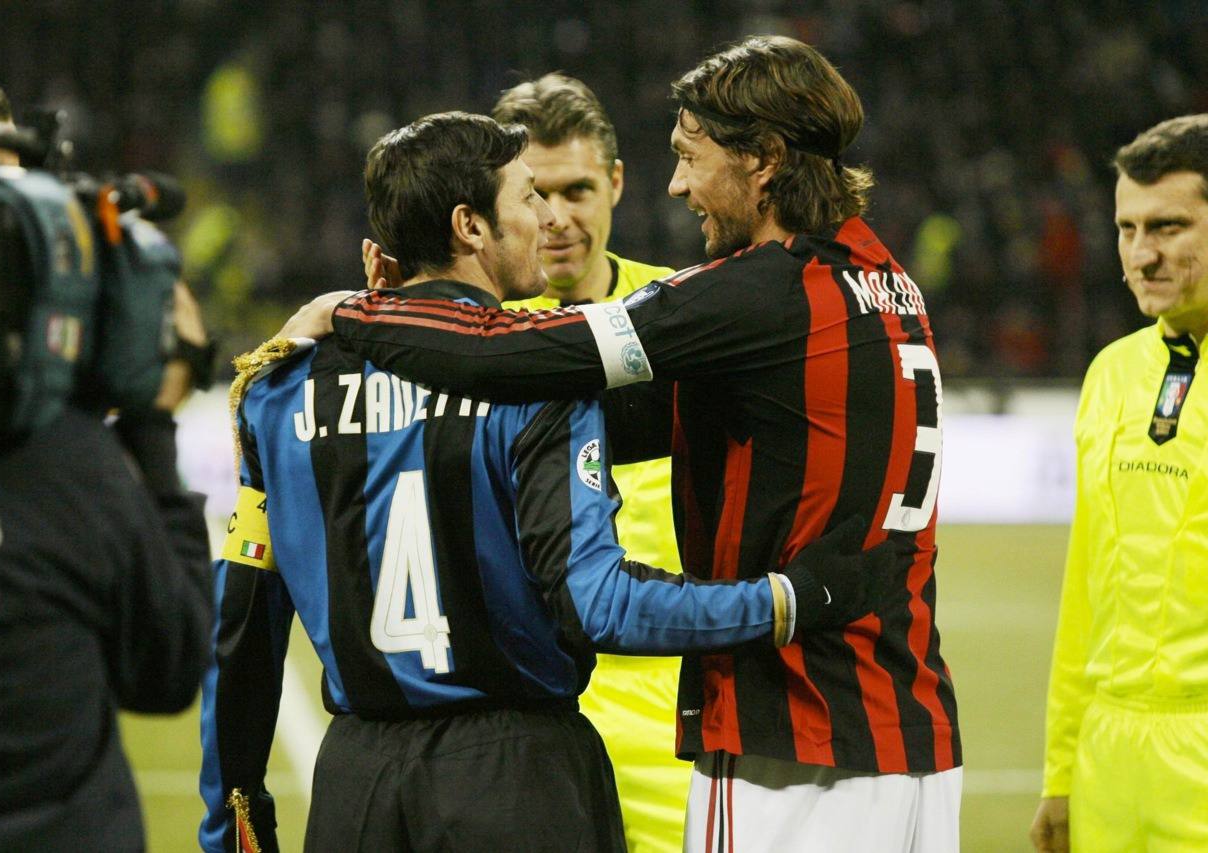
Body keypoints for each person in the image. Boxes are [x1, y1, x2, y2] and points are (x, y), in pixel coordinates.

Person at [286, 36, 962, 852]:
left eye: (690, 156)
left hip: (797, 731)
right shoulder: (882, 278)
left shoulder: (755, 293)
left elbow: (508, 356)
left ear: (763, 160)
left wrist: (355, 313)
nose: (677, 184)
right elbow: (639, 416)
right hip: (909, 723)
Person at [0, 71, 213, 851]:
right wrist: (150, 430)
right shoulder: (75, 463)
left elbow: (169, 666)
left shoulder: (72, 458)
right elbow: (168, 667)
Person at [494, 73, 685, 853]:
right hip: (529, 725)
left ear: (616, 183)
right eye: (534, 194)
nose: (556, 217)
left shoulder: (685, 317)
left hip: (677, 731)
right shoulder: (474, 334)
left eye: (577, 189)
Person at [1030, 114, 1208, 853]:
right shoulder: (1111, 372)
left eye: (1168, 227)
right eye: (1126, 229)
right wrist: (1062, 768)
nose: (1142, 254)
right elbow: (1086, 585)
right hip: (1107, 757)